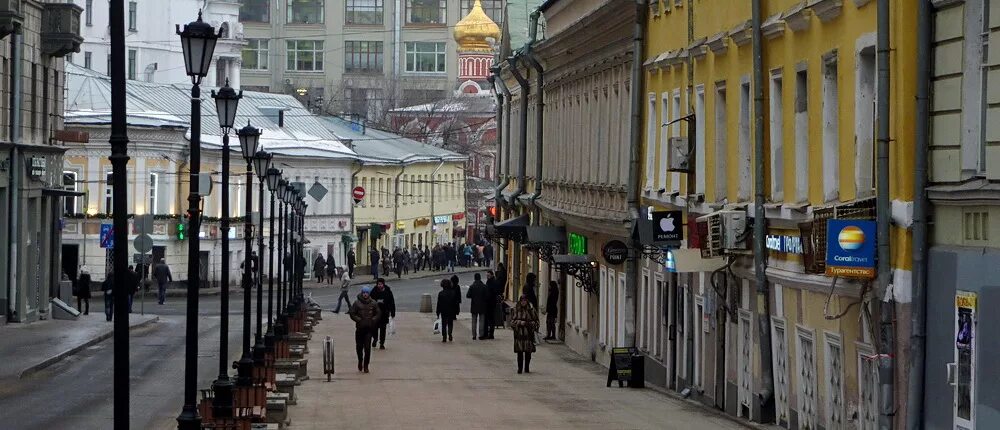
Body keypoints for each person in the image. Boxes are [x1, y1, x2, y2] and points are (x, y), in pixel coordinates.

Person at [348, 286, 381, 373]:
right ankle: (360, 360)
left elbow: (378, 313)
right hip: (360, 329)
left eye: (367, 293)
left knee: (367, 348)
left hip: (369, 329)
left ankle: (366, 365)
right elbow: (352, 313)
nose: (365, 294)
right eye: (364, 293)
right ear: (362, 293)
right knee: (359, 347)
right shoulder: (357, 303)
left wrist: (373, 320)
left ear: (369, 294)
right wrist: (358, 320)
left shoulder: (373, 303)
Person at [512, 293, 540, 373]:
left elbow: (537, 322)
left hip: (528, 335)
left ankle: (527, 368)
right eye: (522, 300)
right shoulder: (516, 310)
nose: (523, 302)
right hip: (519, 335)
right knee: (519, 353)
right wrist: (519, 322)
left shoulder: (531, 310)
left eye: (525, 300)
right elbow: (512, 322)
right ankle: (520, 368)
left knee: (528, 352)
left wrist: (529, 324)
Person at [370, 278, 396, 349]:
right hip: (375, 314)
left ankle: (382, 343)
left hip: (384, 313)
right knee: (374, 328)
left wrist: (392, 312)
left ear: (383, 284)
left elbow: (392, 302)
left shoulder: (388, 291)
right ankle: (375, 339)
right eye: (378, 284)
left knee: (383, 329)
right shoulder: (374, 291)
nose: (379, 285)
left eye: (381, 284)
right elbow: (370, 301)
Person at [466, 273, 489, 340]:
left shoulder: (472, 286)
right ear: (480, 278)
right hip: (482, 306)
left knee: (474, 321)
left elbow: (468, 295)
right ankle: (481, 335)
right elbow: (487, 296)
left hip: (474, 305)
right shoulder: (484, 286)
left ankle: (474, 335)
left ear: (474, 278)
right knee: (481, 321)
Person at [483, 270, 501, 339]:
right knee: (491, 318)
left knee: (489, 319)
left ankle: (490, 334)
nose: (487, 277)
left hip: (490, 302)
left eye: (488, 275)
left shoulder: (492, 282)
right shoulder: (491, 281)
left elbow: (493, 292)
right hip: (491, 302)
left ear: (492, 275)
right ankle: (490, 333)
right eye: (487, 276)